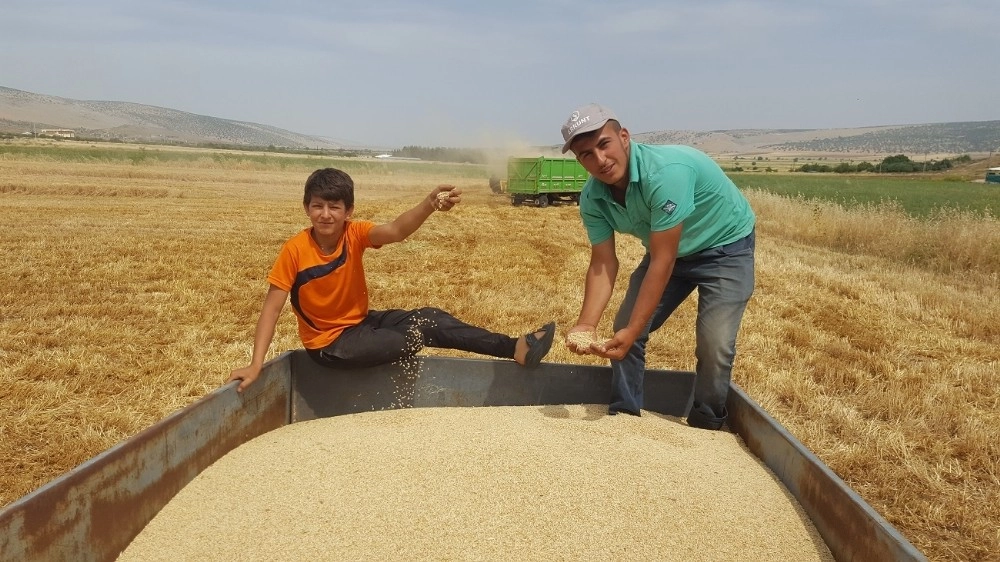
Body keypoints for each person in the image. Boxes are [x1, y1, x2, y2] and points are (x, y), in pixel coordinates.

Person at [228, 167, 556, 392]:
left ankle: (515, 347)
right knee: (411, 336)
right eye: (318, 206)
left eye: (334, 207)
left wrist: (429, 204)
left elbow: (397, 230)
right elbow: (271, 310)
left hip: (360, 324)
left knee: (432, 318)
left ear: (349, 211)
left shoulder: (354, 234)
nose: (325, 214)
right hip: (330, 345)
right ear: (306, 208)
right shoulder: (295, 251)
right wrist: (256, 364)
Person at [559, 103, 756, 430]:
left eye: (604, 144)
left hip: (726, 247)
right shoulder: (593, 198)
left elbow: (663, 262)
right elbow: (603, 262)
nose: (600, 160)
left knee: (715, 343)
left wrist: (634, 330)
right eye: (586, 155)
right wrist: (585, 323)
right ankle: (624, 418)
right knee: (624, 327)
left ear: (624, 137)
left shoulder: (666, 174)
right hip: (669, 250)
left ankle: (707, 424)